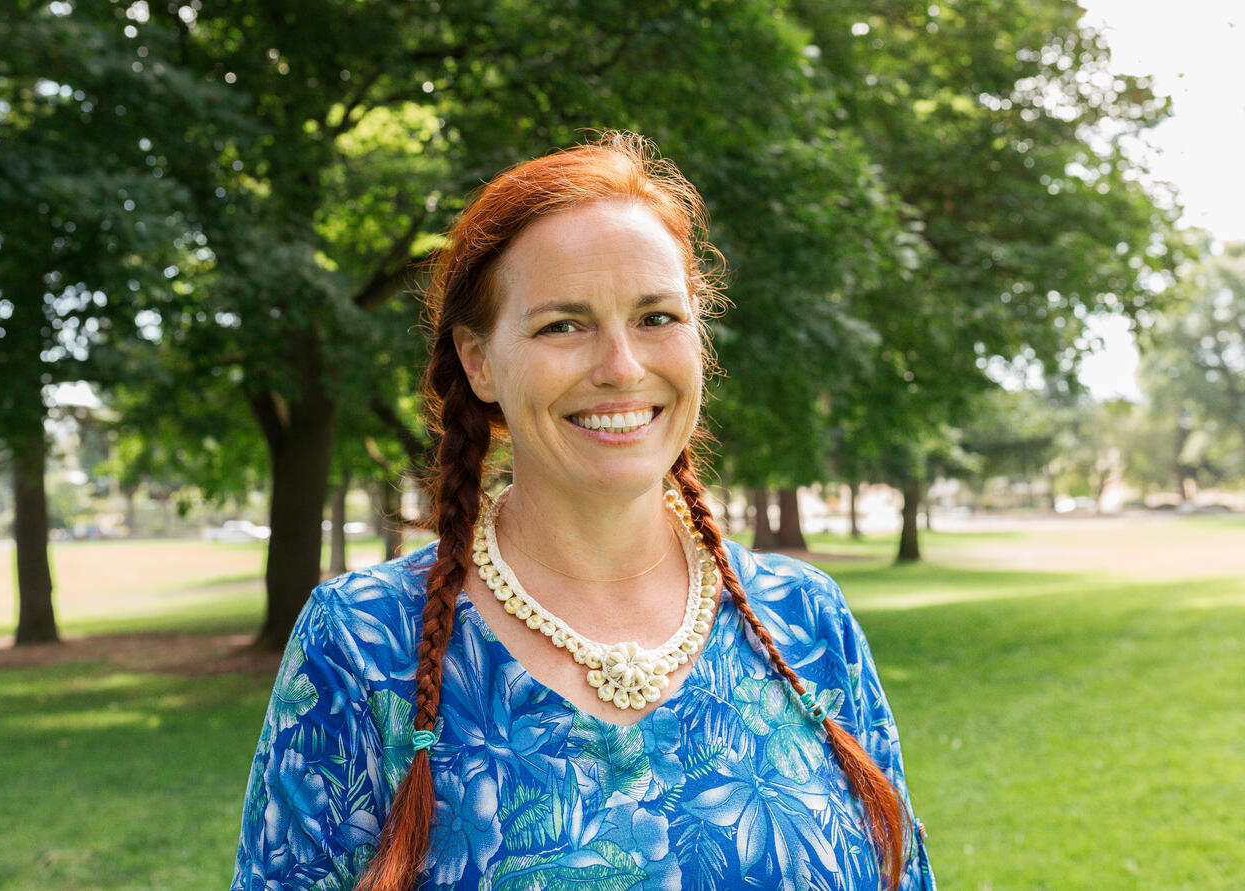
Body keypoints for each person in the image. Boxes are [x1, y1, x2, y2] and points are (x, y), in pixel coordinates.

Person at [230, 133, 936, 891]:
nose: (622, 368)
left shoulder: (807, 622)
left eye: (656, 317)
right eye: (562, 324)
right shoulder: (363, 643)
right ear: (478, 360)